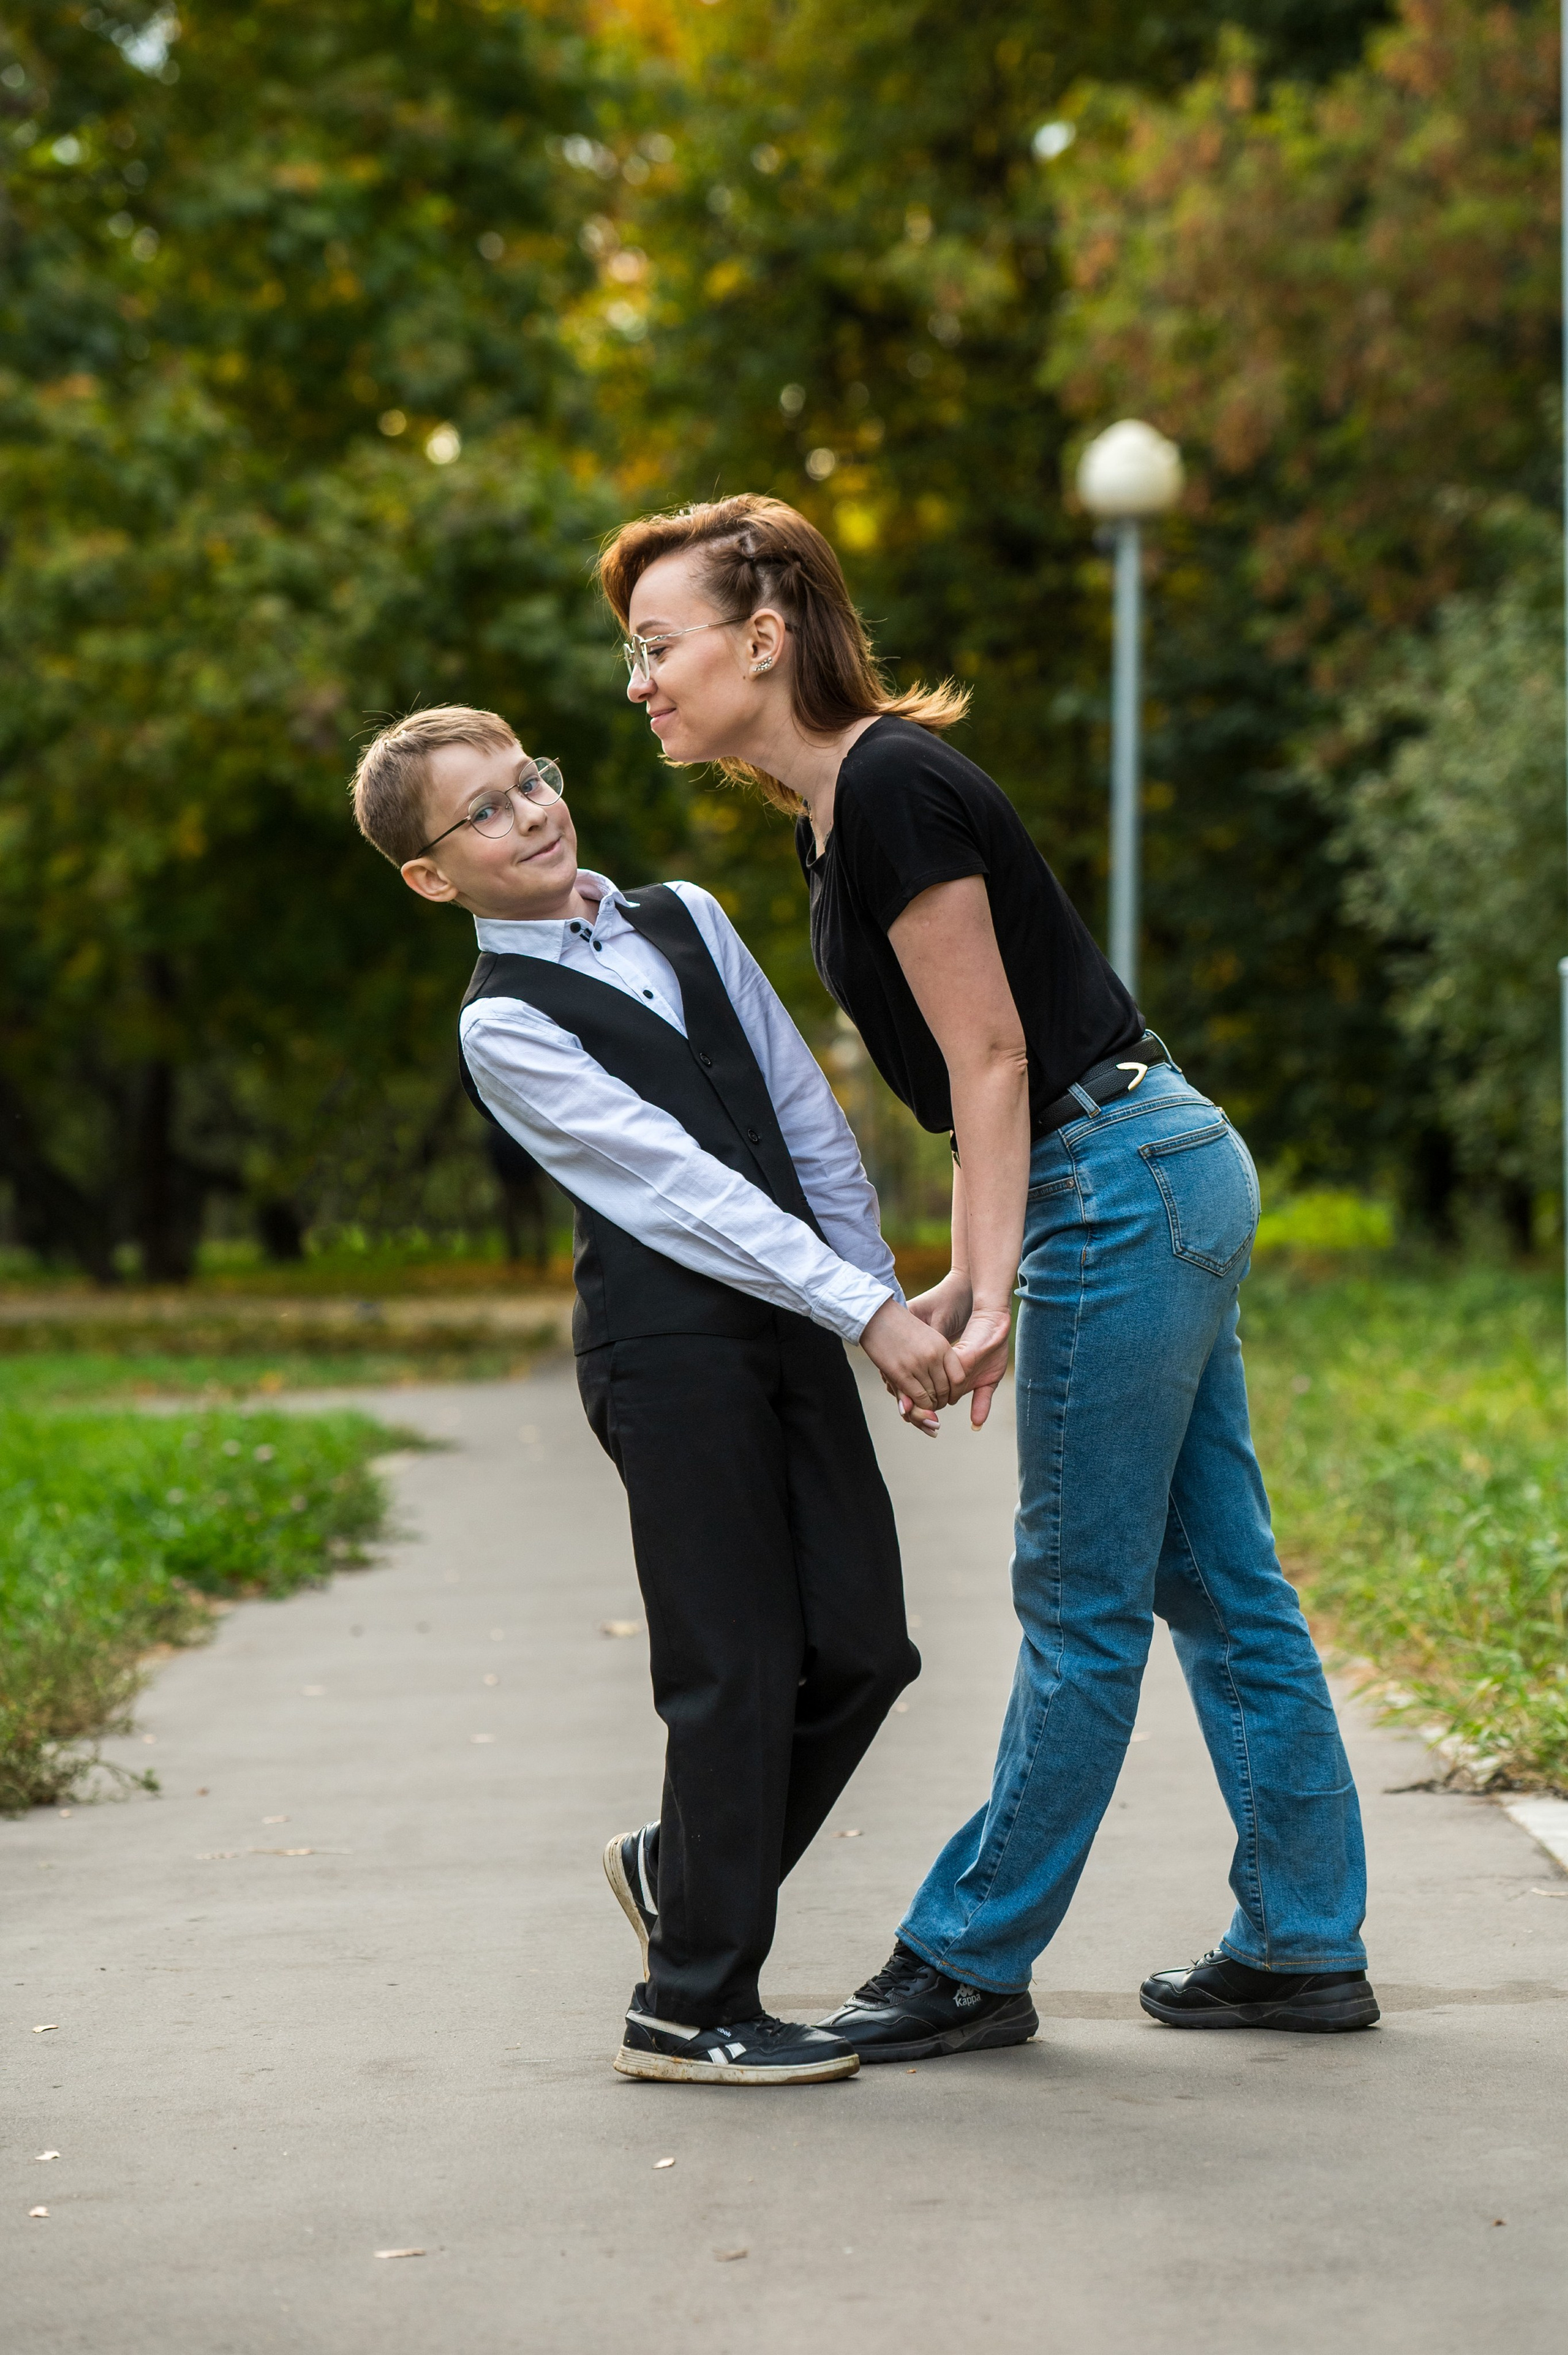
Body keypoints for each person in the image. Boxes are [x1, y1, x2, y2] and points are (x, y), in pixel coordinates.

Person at [597, 496, 1379, 2059]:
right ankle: (1299, 1939)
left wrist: (994, 1282)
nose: (639, 682)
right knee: (1217, 1581)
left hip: (1115, 1178)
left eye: (657, 644)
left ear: (763, 638)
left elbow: (997, 1056)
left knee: (1078, 1600)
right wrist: (966, 1270)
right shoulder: (836, 812)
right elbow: (979, 1090)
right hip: (1139, 1163)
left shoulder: (889, 784)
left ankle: (966, 1952)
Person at [351, 704, 958, 2086]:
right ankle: (689, 2005)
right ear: (432, 878)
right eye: (483, 813)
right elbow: (674, 1188)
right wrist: (859, 1307)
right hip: (669, 1354)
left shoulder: (684, 915)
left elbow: (802, 1114)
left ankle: (676, 1869)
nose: (530, 814)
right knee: (733, 1665)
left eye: (529, 780)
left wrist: (871, 1303)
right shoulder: (505, 1023)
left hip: (794, 1323)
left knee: (866, 1646)